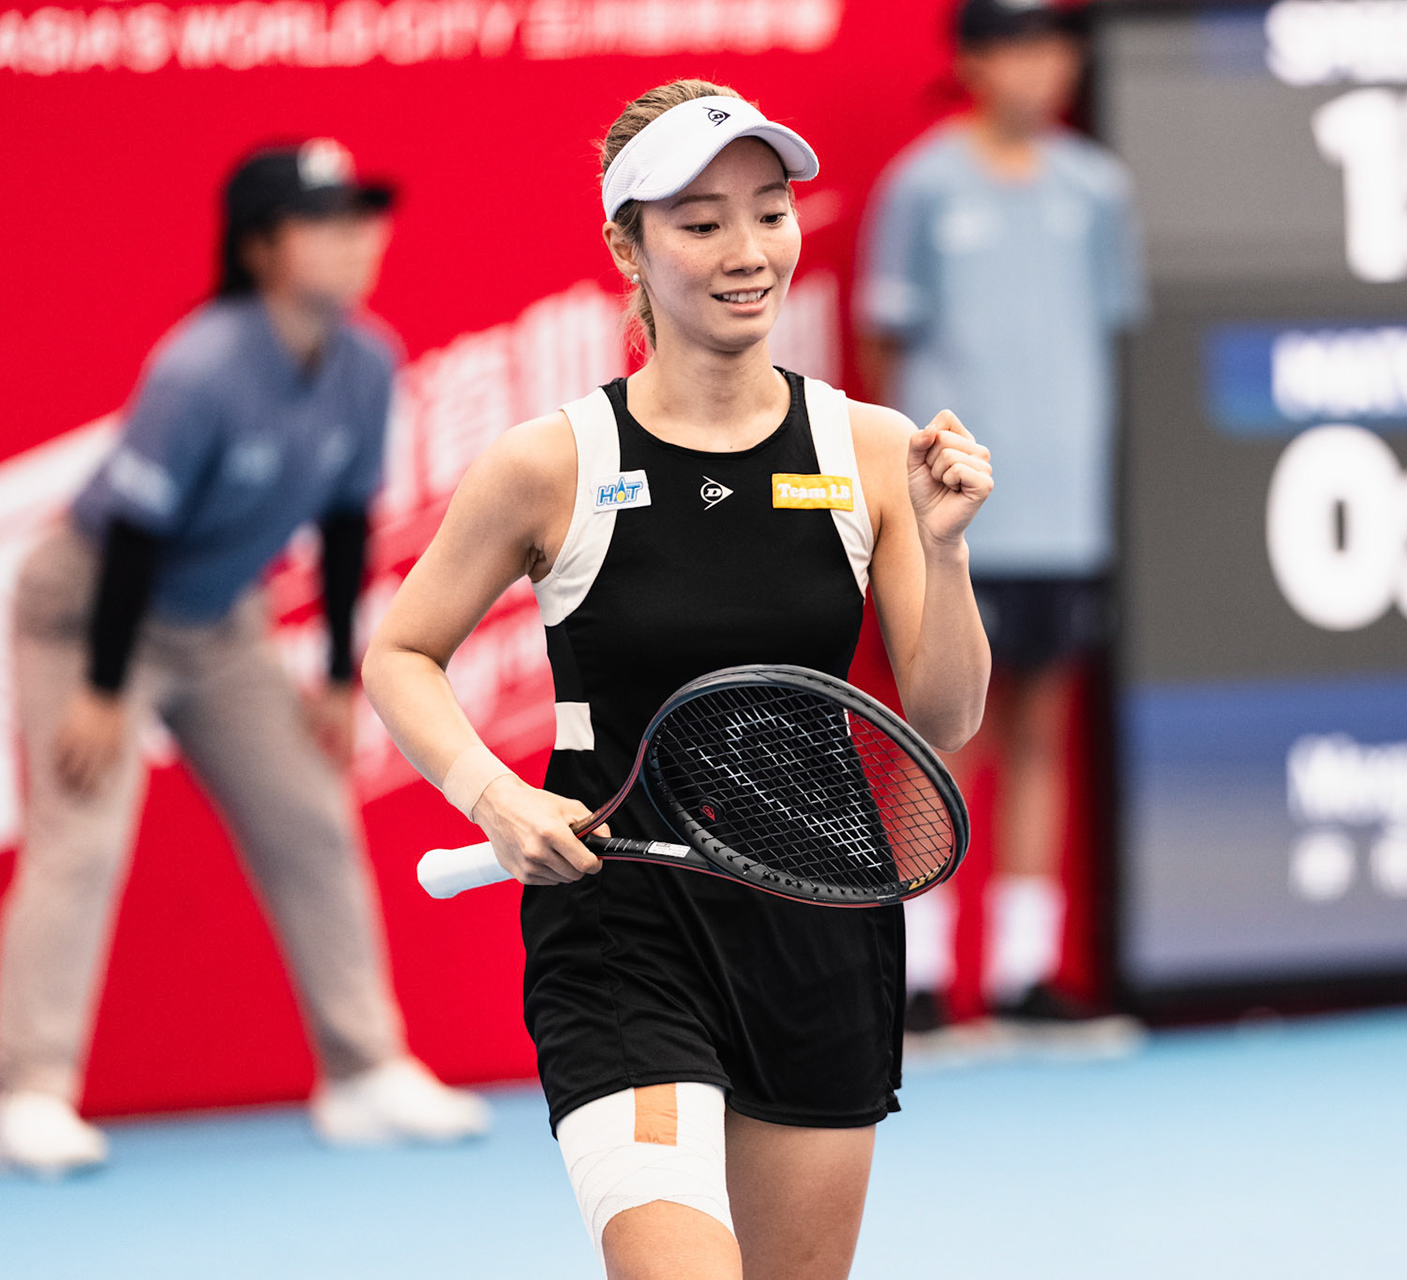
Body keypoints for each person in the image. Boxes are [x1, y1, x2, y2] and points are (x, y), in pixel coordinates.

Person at [360, 81, 993, 1279]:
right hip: (624, 929)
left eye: (771, 211)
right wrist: (495, 796)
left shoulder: (867, 447)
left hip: (823, 920)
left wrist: (945, 544)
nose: (748, 252)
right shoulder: (553, 461)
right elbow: (401, 652)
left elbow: (948, 714)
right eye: (701, 223)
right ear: (628, 244)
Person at [0, 140, 490, 1177]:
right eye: (327, 221)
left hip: (219, 621)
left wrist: (341, 676)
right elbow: (132, 532)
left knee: (312, 816)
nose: (360, 239)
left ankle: (363, 1071)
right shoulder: (199, 366)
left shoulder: (369, 357)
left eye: (364, 216)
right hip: (90, 612)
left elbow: (351, 521)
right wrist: (97, 691)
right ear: (263, 248)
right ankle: (27, 1089)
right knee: (80, 834)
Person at [858, 0, 1146, 1033]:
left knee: (1037, 730)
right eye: (1020, 41)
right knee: (943, 733)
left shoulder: (1097, 190)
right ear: (974, 60)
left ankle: (1026, 970)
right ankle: (917, 975)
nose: (1044, 64)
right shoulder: (923, 187)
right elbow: (886, 352)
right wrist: (912, 498)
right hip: (953, 527)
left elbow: (1102, 340)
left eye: (1057, 42)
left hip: (1066, 515)